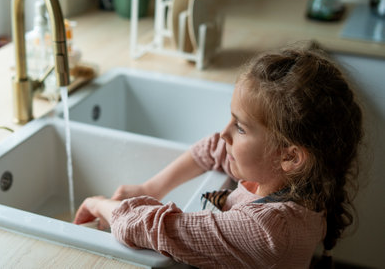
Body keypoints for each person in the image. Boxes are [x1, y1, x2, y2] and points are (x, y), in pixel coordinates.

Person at [73, 45, 364, 268]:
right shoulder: (296, 182)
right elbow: (213, 149)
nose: (224, 133)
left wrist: (98, 204)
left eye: (239, 127)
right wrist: (150, 189)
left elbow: (145, 226)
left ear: (290, 156)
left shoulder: (268, 231)